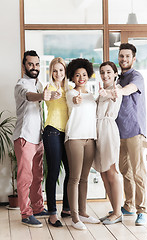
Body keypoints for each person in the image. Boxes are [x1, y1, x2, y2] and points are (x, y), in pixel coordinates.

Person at [13, 50, 51, 227]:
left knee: (37, 176)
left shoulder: (39, 83)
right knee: (25, 177)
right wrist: (42, 96)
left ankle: (37, 207)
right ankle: (26, 214)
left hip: (38, 138)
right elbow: (29, 97)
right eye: (30, 64)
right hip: (24, 137)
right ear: (24, 66)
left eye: (36, 64)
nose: (34, 68)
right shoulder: (21, 85)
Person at [112, 43, 147, 226]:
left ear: (133, 59)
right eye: (121, 56)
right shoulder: (118, 78)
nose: (123, 59)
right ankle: (129, 205)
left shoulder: (136, 76)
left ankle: (143, 211)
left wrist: (117, 91)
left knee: (138, 172)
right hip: (119, 132)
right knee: (124, 170)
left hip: (134, 130)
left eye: (127, 56)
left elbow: (130, 89)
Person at [65, 58, 100, 230]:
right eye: (77, 75)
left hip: (90, 139)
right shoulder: (71, 94)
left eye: (84, 75)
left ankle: (84, 213)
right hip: (75, 139)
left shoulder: (92, 96)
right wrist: (77, 101)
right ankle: (74, 217)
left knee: (85, 178)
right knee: (75, 178)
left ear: (88, 75)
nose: (81, 78)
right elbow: (75, 102)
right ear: (72, 77)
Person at [93, 61, 123, 225]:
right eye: (102, 72)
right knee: (103, 173)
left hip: (109, 130)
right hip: (98, 131)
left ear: (115, 74)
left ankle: (118, 212)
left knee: (112, 171)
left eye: (109, 72)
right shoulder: (101, 92)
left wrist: (109, 94)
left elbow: (115, 96)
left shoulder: (116, 90)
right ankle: (114, 210)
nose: (105, 75)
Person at [43, 57, 71, 228]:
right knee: (53, 172)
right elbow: (48, 98)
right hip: (52, 131)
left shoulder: (70, 89)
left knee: (70, 171)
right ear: (51, 72)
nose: (58, 73)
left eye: (61, 70)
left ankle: (67, 208)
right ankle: (52, 213)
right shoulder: (49, 88)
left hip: (68, 134)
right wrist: (53, 95)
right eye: (55, 70)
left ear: (65, 71)